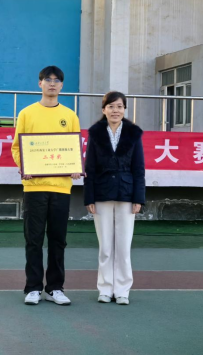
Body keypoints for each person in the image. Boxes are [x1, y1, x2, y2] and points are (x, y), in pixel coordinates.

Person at [11, 66, 81, 306]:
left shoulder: (70, 116)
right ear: (39, 83)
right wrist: (25, 165)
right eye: (47, 79)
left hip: (61, 187)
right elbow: (16, 148)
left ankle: (55, 288)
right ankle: (33, 288)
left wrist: (75, 166)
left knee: (58, 240)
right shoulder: (27, 113)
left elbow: (74, 149)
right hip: (34, 186)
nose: (52, 83)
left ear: (62, 85)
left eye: (57, 80)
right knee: (34, 239)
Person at [84, 91, 145, 306]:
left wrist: (138, 198)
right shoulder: (95, 133)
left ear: (124, 109)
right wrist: (89, 197)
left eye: (119, 106)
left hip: (126, 193)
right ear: (104, 110)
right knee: (105, 247)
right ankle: (105, 288)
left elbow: (138, 168)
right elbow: (90, 168)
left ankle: (122, 290)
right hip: (101, 193)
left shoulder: (133, 133)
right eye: (111, 106)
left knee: (123, 246)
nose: (115, 110)